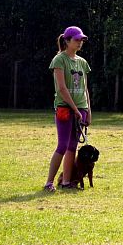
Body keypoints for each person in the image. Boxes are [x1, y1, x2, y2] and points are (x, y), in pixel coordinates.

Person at [44, 26, 92, 192]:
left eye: (81, 40)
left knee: (73, 146)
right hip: (65, 108)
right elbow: (61, 89)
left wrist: (88, 111)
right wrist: (75, 109)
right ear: (67, 41)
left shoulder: (82, 62)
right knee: (62, 145)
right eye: (77, 39)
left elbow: (85, 89)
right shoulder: (59, 60)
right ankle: (49, 182)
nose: (80, 43)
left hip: (81, 108)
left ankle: (66, 182)